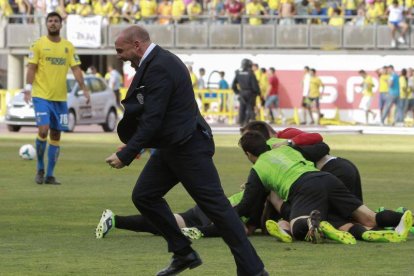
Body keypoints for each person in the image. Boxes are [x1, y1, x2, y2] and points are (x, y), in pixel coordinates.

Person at [103, 25, 267, 276]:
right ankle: (183, 252)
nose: (119, 56)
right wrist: (135, 144)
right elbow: (162, 118)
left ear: (137, 45)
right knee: (144, 196)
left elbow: (154, 119)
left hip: (189, 148)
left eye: (120, 50)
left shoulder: (160, 66)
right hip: (172, 146)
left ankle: (254, 271)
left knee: (218, 210)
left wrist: (127, 154)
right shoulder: (156, 63)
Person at [238, 130, 412, 243]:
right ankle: (402, 218)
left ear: (248, 153)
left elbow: (247, 205)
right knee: (370, 217)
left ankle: (316, 223)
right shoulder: (285, 146)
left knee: (296, 224)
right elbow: (320, 147)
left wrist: (224, 213)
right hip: (328, 178)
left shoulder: (257, 170)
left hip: (304, 186)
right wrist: (292, 144)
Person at [23, 12, 90, 185]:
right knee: (43, 129)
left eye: (56, 21)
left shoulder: (68, 47)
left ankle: (50, 175)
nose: (53, 23)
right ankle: (40, 168)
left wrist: (84, 89)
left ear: (61, 25)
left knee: (56, 134)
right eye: (50, 21)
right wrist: (28, 88)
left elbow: (76, 69)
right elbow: (31, 67)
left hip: (60, 99)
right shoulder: (38, 44)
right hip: (41, 96)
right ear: (46, 24)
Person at [232, 58, 260, 127]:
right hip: (250, 93)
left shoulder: (238, 73)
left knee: (242, 108)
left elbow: (233, 85)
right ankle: (249, 123)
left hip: (242, 92)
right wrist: (257, 93)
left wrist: (237, 92)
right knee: (250, 108)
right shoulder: (251, 73)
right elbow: (255, 85)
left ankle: (241, 123)